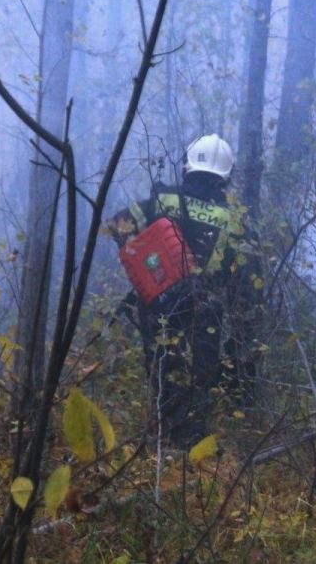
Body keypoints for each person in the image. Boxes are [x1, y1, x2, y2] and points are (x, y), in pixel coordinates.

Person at [105, 134, 263, 447]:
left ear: (188, 164)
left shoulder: (161, 201)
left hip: (158, 309)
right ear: (226, 176)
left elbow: (115, 226)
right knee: (198, 382)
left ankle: (163, 447)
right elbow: (247, 291)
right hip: (206, 317)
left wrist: (148, 263)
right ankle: (188, 456)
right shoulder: (235, 222)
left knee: (163, 375)